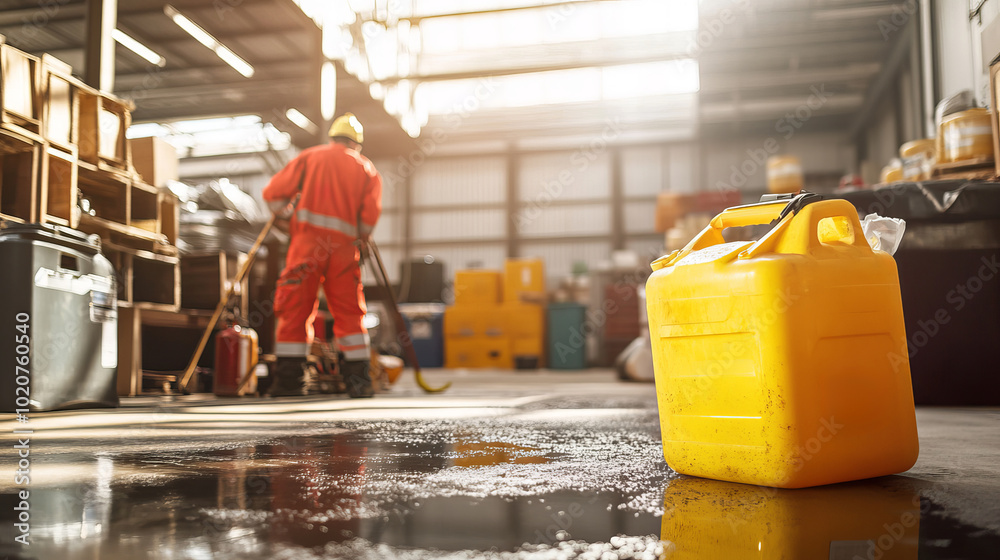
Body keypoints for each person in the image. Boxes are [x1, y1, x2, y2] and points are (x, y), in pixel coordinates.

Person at [262, 113, 382, 398]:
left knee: (295, 308)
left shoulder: (310, 157)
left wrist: (289, 222)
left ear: (332, 138)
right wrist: (362, 238)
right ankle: (358, 383)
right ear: (357, 144)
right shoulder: (366, 168)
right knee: (350, 311)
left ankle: (290, 383)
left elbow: (273, 195)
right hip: (343, 249)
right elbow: (369, 218)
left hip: (307, 245)